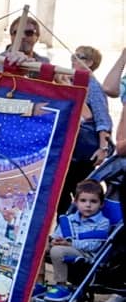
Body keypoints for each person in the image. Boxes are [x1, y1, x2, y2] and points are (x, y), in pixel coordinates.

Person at [56, 46, 113, 214]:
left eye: (78, 57)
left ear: (90, 62)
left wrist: (103, 148)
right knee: (63, 190)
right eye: (73, 56)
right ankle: (65, 227)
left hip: (84, 149)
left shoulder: (91, 84)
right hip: (70, 146)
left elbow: (101, 118)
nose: (73, 59)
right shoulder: (70, 80)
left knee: (80, 191)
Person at [38, 180, 111, 302]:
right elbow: (58, 234)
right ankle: (39, 283)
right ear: (75, 202)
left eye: (93, 201)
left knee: (56, 250)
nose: (88, 205)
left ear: (101, 204)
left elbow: (94, 245)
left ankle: (61, 286)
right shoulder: (69, 219)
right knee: (39, 244)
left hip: (86, 254)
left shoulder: (103, 222)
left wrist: (70, 244)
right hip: (66, 247)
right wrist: (55, 240)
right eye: (83, 201)